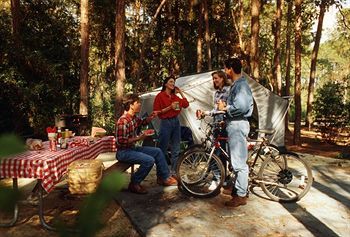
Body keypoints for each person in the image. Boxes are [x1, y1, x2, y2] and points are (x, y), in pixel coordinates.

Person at [116, 93, 177, 194]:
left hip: (132, 148)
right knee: (149, 160)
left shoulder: (133, 118)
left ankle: (164, 177)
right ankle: (134, 183)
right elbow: (120, 141)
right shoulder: (123, 121)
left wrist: (151, 117)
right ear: (131, 105)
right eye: (138, 103)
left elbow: (142, 122)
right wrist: (139, 138)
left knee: (157, 151)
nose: (140, 105)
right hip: (123, 152)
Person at [218, 57, 253, 207]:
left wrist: (226, 109)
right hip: (234, 125)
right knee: (235, 161)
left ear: (231, 69)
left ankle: (241, 195)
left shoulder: (241, 86)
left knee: (239, 163)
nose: (225, 72)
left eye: (226, 69)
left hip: (238, 125)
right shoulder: (237, 85)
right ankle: (237, 188)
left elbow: (242, 107)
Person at [196, 70, 231, 187]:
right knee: (217, 151)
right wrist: (205, 113)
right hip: (216, 123)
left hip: (225, 123)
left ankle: (220, 179)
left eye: (216, 78)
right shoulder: (216, 93)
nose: (214, 80)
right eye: (213, 79)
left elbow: (228, 108)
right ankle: (220, 178)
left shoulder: (229, 91)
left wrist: (224, 110)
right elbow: (216, 110)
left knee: (220, 152)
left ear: (222, 78)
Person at [153, 76, 189, 176]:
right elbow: (156, 112)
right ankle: (161, 174)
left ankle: (174, 172)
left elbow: (186, 104)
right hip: (165, 123)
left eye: (174, 82)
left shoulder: (175, 97)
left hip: (176, 122)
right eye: (171, 82)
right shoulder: (160, 96)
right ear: (165, 84)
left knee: (176, 149)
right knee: (162, 149)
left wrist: (181, 92)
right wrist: (170, 107)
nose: (173, 84)